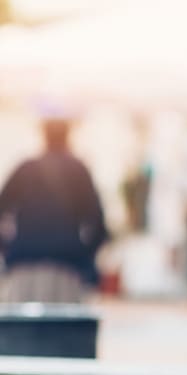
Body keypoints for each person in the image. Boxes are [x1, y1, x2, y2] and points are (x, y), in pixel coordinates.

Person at [0, 117, 108, 303]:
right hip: (67, 268)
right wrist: (82, 253)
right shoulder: (78, 170)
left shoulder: (26, 169)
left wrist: (10, 248)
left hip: (25, 266)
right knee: (65, 329)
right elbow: (98, 223)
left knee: (22, 328)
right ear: (68, 136)